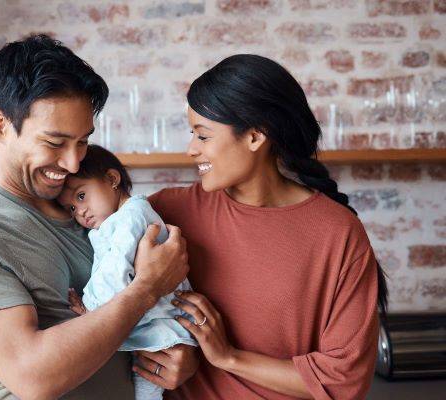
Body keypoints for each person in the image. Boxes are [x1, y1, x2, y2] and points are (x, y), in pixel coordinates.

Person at [0, 34, 198, 400]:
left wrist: (181, 356)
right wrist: (146, 288)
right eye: (54, 142)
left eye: (82, 141)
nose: (73, 162)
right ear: (0, 125)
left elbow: (137, 331)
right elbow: (35, 377)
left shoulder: (90, 213)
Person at [148, 54, 388, 400]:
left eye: (203, 136)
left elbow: (343, 381)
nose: (191, 150)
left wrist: (228, 357)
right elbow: (111, 300)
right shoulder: (165, 212)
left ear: (255, 137)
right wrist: (164, 357)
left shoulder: (338, 233)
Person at [58, 144, 198, 400]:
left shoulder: (132, 217)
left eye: (81, 196)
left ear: (112, 179)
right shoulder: (115, 221)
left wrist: (90, 310)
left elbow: (116, 270)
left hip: (161, 330)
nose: (80, 211)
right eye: (71, 208)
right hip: (152, 327)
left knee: (147, 392)